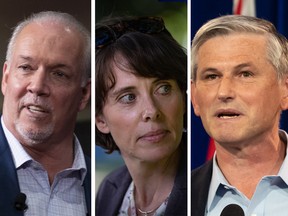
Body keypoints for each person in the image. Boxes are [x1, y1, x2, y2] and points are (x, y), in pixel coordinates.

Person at [191, 15, 288, 216]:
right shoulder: (179, 198)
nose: (224, 92)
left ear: (285, 90)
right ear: (194, 98)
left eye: (245, 74)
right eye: (212, 76)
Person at [0, 11, 91, 215]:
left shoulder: (104, 189)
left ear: (84, 94)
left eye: (59, 74)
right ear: (5, 79)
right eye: (26, 67)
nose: (38, 86)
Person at [95, 16, 187, 215]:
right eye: (128, 97)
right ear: (100, 120)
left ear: (183, 97)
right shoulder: (109, 190)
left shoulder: (206, 187)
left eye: (163, 88)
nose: (152, 111)